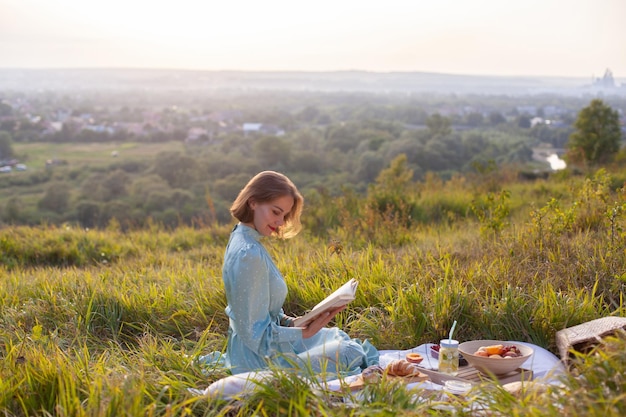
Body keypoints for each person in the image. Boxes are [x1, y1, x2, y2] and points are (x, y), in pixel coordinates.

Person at [215, 170, 378, 376]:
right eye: (276, 212)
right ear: (253, 202)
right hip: (258, 359)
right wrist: (303, 332)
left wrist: (293, 323)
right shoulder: (249, 254)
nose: (281, 222)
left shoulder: (241, 238)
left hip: (256, 348)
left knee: (337, 336)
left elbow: (259, 314)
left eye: (284, 215)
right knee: (348, 351)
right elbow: (255, 336)